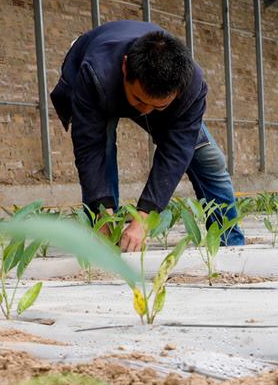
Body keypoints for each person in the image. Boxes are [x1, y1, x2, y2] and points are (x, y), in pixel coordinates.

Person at [50, 20, 244, 253]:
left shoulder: (192, 86)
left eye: (157, 106)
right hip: (104, 89)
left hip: (148, 96)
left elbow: (176, 153)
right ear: (125, 68)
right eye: (140, 101)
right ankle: (106, 237)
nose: (145, 112)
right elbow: (89, 149)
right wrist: (102, 213)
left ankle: (231, 243)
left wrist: (143, 219)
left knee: (210, 160)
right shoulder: (95, 74)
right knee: (104, 148)